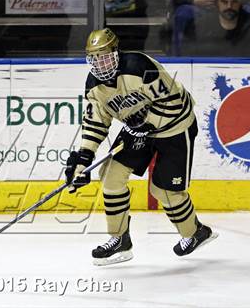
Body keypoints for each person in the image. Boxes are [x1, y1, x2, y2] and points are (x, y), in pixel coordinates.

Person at [65, 28, 218, 266]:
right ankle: (119, 240)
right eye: (94, 58)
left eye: (104, 57)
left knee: (164, 191)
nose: (100, 64)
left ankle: (195, 232)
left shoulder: (139, 66)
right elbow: (95, 122)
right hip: (138, 129)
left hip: (175, 127)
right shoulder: (94, 86)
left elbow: (175, 101)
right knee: (111, 178)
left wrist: (148, 122)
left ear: (116, 53)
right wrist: (83, 159)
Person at [175, 0, 250, 56]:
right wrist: (192, 0)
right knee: (183, 13)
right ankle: (177, 61)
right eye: (225, 2)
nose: (229, 6)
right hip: (200, 5)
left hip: (246, 4)